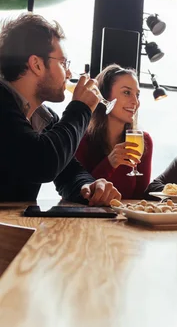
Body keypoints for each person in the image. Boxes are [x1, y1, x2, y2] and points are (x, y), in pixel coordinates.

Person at [0, 13, 121, 205]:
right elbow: (42, 163)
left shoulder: (44, 118)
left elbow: (69, 171)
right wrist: (81, 108)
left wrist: (87, 187)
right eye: (63, 63)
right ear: (37, 64)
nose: (69, 73)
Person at [75, 64, 153, 199]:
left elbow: (140, 197)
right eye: (127, 92)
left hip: (124, 218)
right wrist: (109, 163)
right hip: (87, 218)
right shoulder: (82, 138)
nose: (135, 101)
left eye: (137, 95)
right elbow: (78, 193)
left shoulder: (144, 140)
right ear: (105, 96)